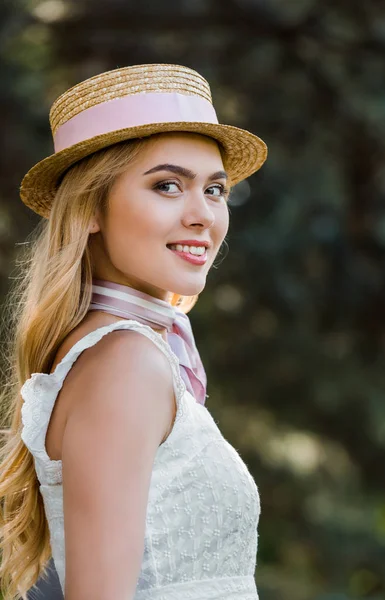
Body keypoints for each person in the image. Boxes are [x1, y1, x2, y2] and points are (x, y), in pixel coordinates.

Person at [0, 63, 268, 600]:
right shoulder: (125, 362)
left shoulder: (130, 354)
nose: (203, 216)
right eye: (167, 186)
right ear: (91, 207)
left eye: (215, 190)